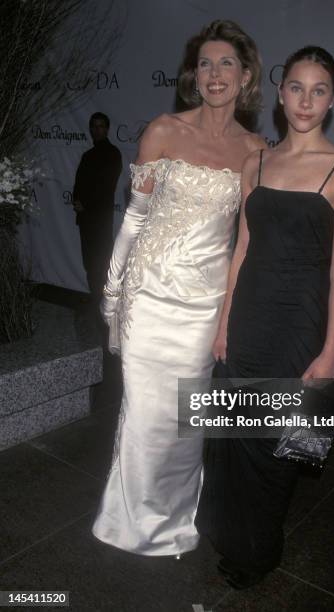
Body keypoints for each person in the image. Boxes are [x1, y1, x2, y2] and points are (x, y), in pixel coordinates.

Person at [196, 46, 334, 589]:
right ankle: (232, 534)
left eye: (319, 90)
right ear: (279, 91)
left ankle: (258, 550)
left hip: (300, 323)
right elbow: (240, 249)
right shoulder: (258, 162)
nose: (306, 100)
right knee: (236, 436)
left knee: (276, 445)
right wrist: (224, 322)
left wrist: (332, 349)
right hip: (248, 316)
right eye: (297, 87)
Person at [92, 20, 265, 558]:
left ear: (246, 75)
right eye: (206, 64)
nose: (215, 75)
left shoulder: (256, 150)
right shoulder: (163, 130)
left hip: (203, 304)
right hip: (148, 294)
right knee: (143, 413)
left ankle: (171, 521)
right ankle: (126, 521)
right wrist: (113, 295)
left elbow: (243, 244)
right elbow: (133, 221)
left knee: (185, 422)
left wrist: (227, 316)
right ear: (194, 75)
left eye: (226, 64)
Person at [73, 112, 122, 303]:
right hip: (85, 219)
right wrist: (77, 200)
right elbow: (78, 183)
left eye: (101, 126)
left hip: (100, 220)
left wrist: (85, 204)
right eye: (94, 126)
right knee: (90, 264)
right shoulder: (87, 155)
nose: (97, 130)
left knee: (101, 264)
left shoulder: (113, 153)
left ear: (107, 129)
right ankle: (96, 304)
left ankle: (104, 307)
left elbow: (107, 186)